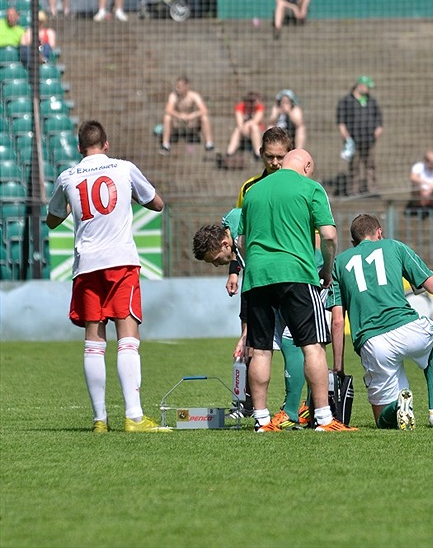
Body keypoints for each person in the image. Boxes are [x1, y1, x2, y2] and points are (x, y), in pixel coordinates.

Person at [45, 119, 170, 432]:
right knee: (127, 337)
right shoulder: (124, 168)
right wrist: (133, 197)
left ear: (79, 148)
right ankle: (134, 417)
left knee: (93, 341)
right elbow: (157, 204)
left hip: (87, 264)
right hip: (120, 262)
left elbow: (52, 220)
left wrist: (71, 206)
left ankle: (99, 420)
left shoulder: (68, 176)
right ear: (107, 144)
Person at [193, 129, 311, 430]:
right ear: (261, 154)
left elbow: (311, 226)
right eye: (270, 156)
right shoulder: (250, 188)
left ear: (290, 154)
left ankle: (294, 408)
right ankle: (270, 409)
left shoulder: (301, 183)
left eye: (280, 157)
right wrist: (235, 270)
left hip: (296, 269)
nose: (275, 162)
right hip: (264, 274)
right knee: (268, 343)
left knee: (296, 342)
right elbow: (240, 235)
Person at [238, 148, 355, 432]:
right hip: (297, 273)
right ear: (307, 166)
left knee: (261, 350)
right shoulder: (310, 187)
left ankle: (262, 420)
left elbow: (241, 241)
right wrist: (326, 269)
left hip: (257, 276)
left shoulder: (253, 191)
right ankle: (324, 419)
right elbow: (328, 235)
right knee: (312, 346)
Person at [328, 212, 433, 430]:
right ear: (379, 232)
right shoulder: (394, 246)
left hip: (373, 343)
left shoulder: (339, 263)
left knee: (382, 420)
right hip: (409, 330)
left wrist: (338, 367)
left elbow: (337, 322)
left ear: (353, 242)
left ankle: (398, 406)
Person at [336, 76, 383, 196]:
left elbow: (379, 118)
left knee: (370, 165)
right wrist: (345, 135)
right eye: (367, 87)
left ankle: (372, 190)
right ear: (360, 86)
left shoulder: (371, 101)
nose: (368, 90)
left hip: (369, 139)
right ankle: (353, 191)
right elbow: (341, 121)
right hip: (353, 140)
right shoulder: (347, 101)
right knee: (354, 166)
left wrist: (378, 129)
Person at [160, 76, 215, 154]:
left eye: (180, 87)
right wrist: (180, 115)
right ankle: (165, 145)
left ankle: (209, 143)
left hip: (191, 121)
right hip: (178, 121)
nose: (177, 89)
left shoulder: (194, 95)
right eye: (177, 86)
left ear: (186, 86)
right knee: (167, 117)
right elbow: (168, 109)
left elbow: (204, 110)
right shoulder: (173, 96)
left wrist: (192, 115)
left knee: (204, 117)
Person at [226, 90, 265, 159]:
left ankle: (257, 152)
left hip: (258, 131)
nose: (251, 103)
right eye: (249, 100)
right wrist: (244, 128)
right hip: (243, 131)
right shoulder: (240, 106)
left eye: (253, 101)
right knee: (237, 129)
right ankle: (230, 152)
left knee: (254, 127)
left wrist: (246, 125)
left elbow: (255, 121)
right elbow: (239, 123)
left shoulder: (259, 107)